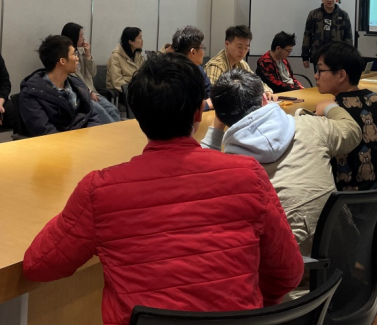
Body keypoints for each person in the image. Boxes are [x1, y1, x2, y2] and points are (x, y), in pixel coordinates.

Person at [23, 54, 303, 321]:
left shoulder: (100, 191)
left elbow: (39, 265)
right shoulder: (249, 175)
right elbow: (288, 272)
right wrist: (251, 307)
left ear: (138, 116)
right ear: (198, 112)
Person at [203, 70, 361, 256]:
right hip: (342, 252)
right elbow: (352, 131)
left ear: (221, 116)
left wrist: (217, 126)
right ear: (264, 99)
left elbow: (199, 176)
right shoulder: (310, 126)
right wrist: (330, 107)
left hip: (279, 266)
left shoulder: (229, 165)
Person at [314, 42, 377, 191]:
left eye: (320, 70)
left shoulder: (331, 116)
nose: (316, 76)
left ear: (341, 75)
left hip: (344, 201)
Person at [19, 36, 101, 136]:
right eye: (73, 54)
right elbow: (44, 130)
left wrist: (91, 136)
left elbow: (92, 115)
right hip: (57, 143)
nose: (77, 58)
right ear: (62, 61)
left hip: (84, 140)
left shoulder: (77, 85)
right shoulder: (31, 93)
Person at [60, 23, 121, 123]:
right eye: (81, 36)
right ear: (73, 37)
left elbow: (93, 72)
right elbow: (72, 81)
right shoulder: (64, 57)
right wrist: (88, 93)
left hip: (93, 92)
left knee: (112, 109)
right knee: (102, 114)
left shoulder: (81, 53)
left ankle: (118, 130)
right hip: (81, 96)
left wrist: (87, 55)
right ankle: (114, 131)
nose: (83, 39)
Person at [205, 25, 273, 96]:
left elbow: (256, 82)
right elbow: (212, 95)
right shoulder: (216, 65)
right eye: (239, 47)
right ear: (227, 44)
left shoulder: (242, 64)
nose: (243, 52)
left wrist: (267, 91)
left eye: (246, 48)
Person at [302, 0, 353, 69]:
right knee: (320, 77)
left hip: (338, 56)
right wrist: (305, 56)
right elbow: (307, 35)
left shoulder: (343, 15)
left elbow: (348, 37)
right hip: (318, 55)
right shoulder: (314, 14)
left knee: (336, 77)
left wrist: (348, 56)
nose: (330, 0)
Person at [171, 25, 212, 109]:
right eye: (202, 48)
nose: (203, 52)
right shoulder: (172, 74)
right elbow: (182, 107)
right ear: (193, 52)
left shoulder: (199, 70)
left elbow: (211, 95)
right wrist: (206, 104)